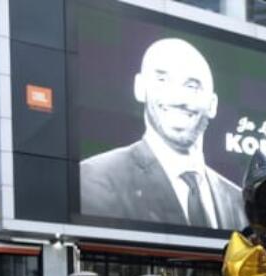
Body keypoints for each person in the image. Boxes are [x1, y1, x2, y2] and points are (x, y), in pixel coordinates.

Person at [80, 38, 245, 228]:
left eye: (192, 86)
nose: (178, 98)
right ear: (140, 88)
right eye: (162, 80)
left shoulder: (239, 202)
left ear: (212, 104)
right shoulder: (97, 178)